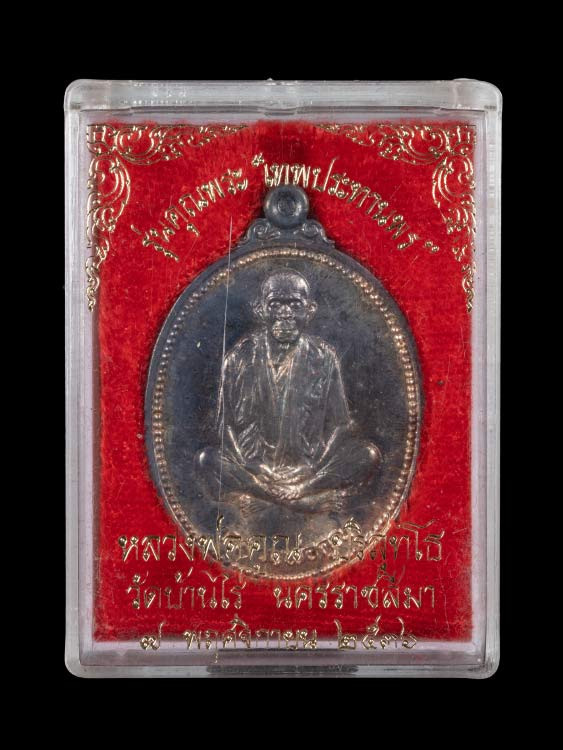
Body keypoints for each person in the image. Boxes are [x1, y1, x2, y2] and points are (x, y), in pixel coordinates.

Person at [195, 270, 380, 515]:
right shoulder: (238, 358)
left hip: (307, 471)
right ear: (260, 309)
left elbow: (340, 425)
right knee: (207, 459)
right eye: (275, 305)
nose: (285, 313)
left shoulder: (324, 357)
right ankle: (303, 502)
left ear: (310, 310)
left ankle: (269, 496)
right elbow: (226, 427)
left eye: (294, 305)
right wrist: (252, 466)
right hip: (256, 471)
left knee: (368, 455)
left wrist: (313, 467)